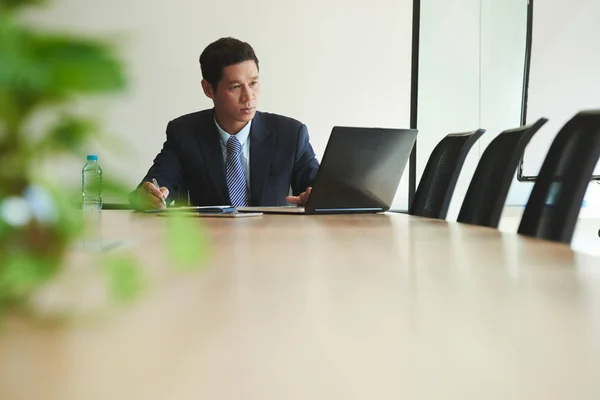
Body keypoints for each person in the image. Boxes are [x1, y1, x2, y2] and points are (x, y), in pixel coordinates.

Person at [130, 37, 319, 210]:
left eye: (253, 83)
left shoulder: (290, 134)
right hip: (209, 242)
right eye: (235, 87)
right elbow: (150, 189)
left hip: (270, 242)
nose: (248, 97)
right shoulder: (184, 134)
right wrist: (149, 196)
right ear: (208, 89)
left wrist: (314, 198)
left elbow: (324, 193)